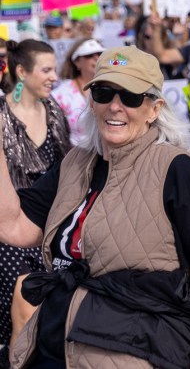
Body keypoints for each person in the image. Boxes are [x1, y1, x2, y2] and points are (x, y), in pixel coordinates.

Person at [0, 46, 190, 368]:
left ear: (154, 108)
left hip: (134, 350)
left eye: (131, 97)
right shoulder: (75, 163)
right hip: (54, 344)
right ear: (91, 101)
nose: (115, 107)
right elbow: (14, 227)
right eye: (104, 93)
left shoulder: (177, 170)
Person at [0, 39, 71, 369]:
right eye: (46, 70)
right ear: (21, 72)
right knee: (14, 319)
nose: (54, 76)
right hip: (10, 233)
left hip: (49, 231)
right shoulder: (1, 116)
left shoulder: (54, 111)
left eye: (55, 69)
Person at [51, 39, 107, 145]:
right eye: (89, 55)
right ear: (76, 62)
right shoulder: (61, 94)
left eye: (100, 54)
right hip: (75, 156)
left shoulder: (113, 88)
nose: (96, 58)